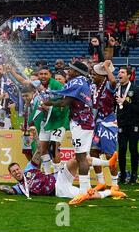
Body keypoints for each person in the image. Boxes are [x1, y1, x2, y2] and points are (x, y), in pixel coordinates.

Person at [0, 127, 124, 200]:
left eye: (17, 169)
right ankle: (110, 192)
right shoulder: (19, 188)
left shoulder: (29, 169)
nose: (16, 172)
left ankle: (108, 162)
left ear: (20, 169)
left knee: (77, 159)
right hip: (59, 190)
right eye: (13, 172)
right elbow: (2, 188)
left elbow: (40, 150)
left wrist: (35, 137)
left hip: (59, 177)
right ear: (11, 175)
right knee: (86, 195)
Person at [43, 61, 95, 205]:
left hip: (81, 123)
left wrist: (49, 103)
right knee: (82, 156)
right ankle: (87, 189)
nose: (68, 71)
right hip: (85, 122)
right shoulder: (83, 81)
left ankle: (84, 192)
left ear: (77, 72)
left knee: (81, 157)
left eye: (71, 69)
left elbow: (64, 103)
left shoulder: (77, 82)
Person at [90, 61, 119, 191]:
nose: (92, 76)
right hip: (96, 123)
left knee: (109, 155)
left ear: (102, 76)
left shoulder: (108, 85)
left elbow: (113, 82)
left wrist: (107, 68)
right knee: (93, 152)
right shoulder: (93, 87)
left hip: (108, 123)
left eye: (95, 74)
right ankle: (101, 182)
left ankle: (114, 184)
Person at [115, 66, 139, 184]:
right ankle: (123, 175)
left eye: (122, 72)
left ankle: (134, 175)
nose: (120, 74)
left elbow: (137, 108)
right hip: (121, 124)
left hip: (134, 124)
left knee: (133, 149)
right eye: (119, 72)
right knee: (122, 150)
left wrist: (124, 102)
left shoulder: (135, 89)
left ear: (129, 75)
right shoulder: (116, 89)